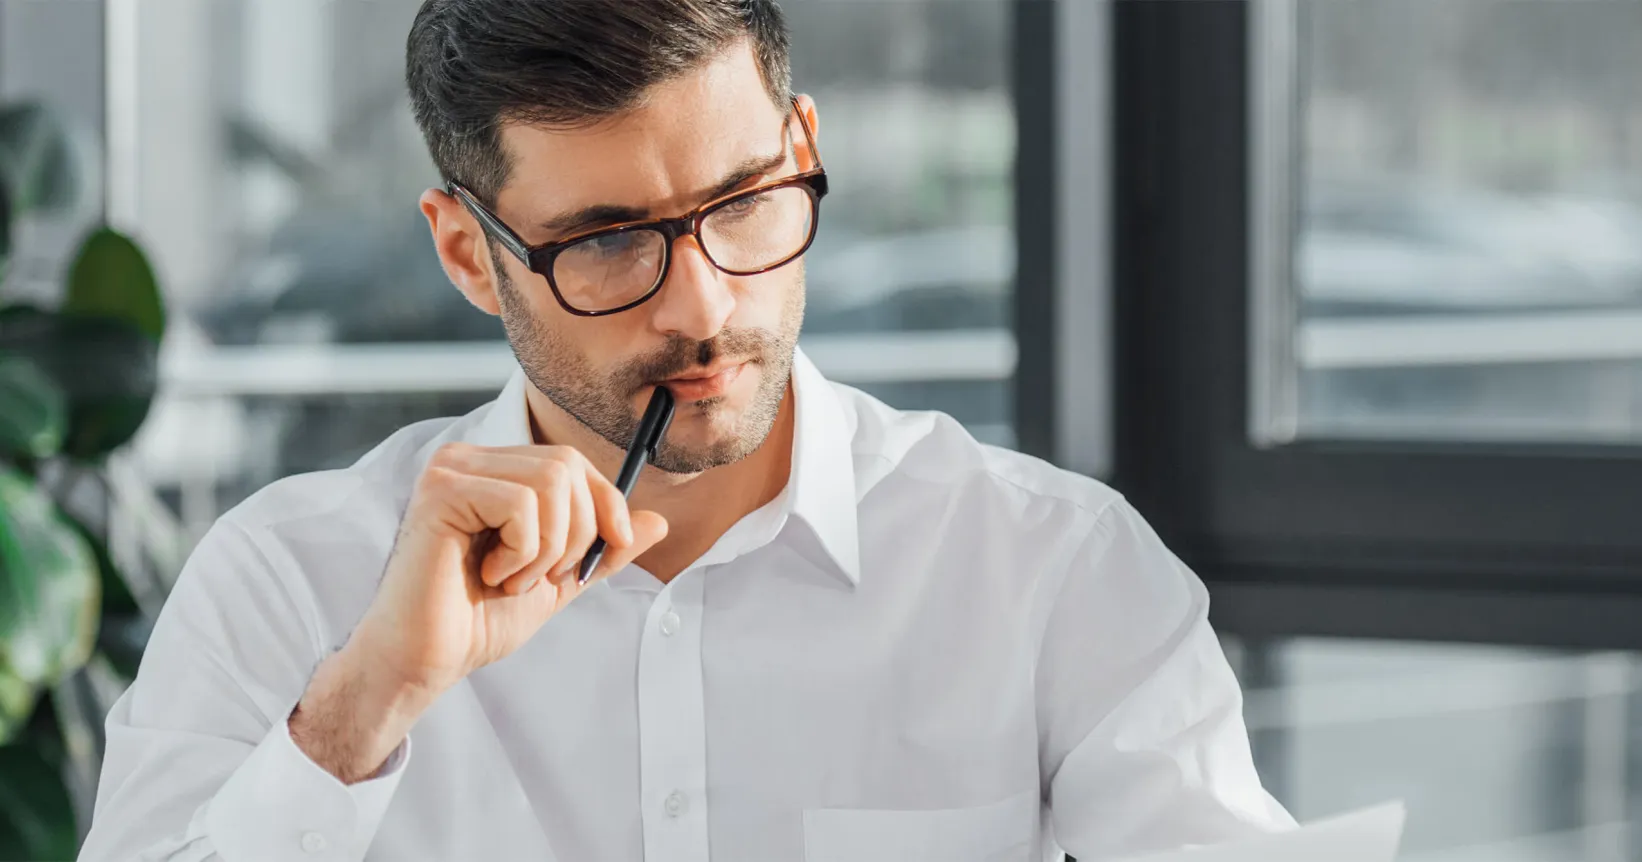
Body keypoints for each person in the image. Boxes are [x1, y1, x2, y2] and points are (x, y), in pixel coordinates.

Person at [81, 1, 1294, 859]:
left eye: (745, 203)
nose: (705, 304)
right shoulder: (284, 581)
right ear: (466, 251)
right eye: (608, 242)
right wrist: (360, 709)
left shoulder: (1047, 566)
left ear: (803, 151)